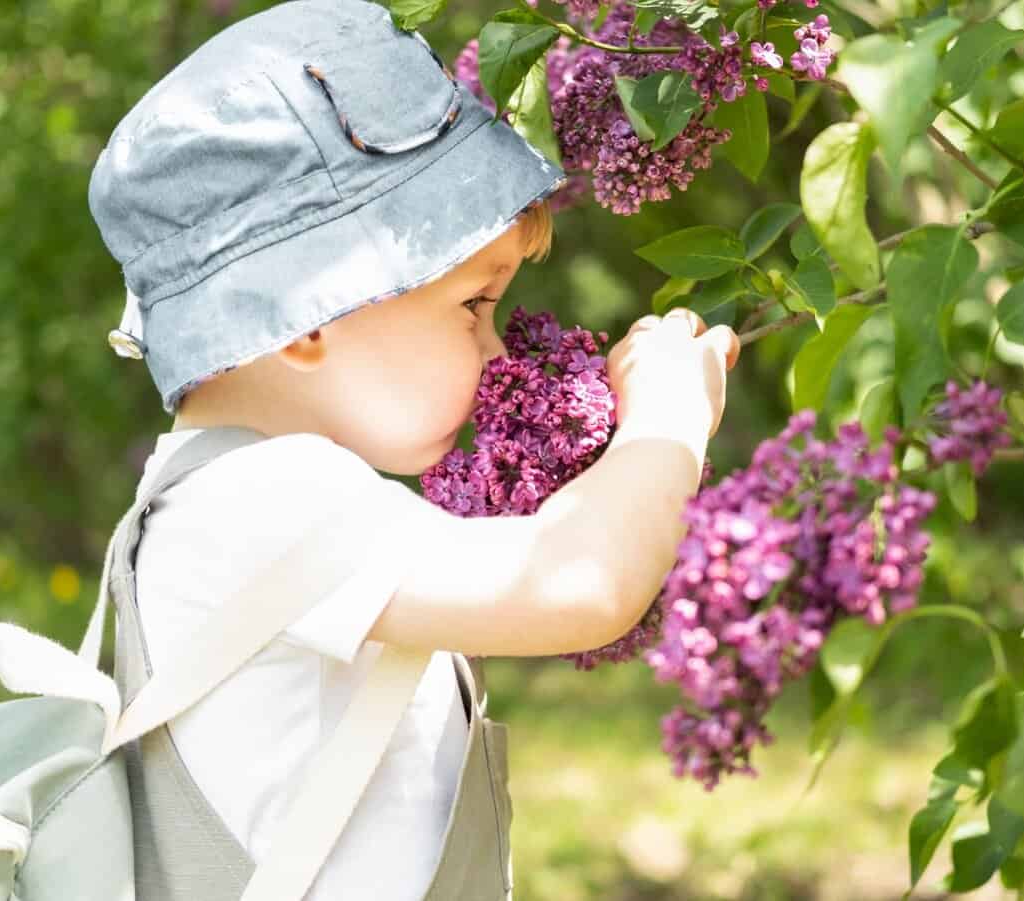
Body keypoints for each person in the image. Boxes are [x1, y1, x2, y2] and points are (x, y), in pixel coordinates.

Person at [86, 0, 740, 897]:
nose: (500, 350)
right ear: (309, 311)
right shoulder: (265, 498)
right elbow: (582, 582)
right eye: (474, 305)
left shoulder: (228, 498)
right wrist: (668, 412)